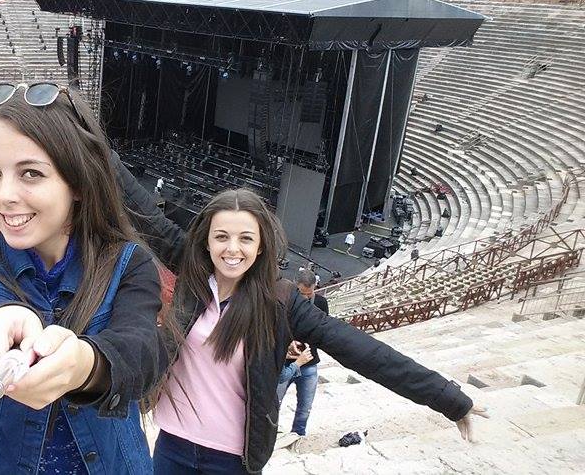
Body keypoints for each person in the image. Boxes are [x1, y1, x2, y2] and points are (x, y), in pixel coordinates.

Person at [108, 160, 488, 473]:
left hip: (231, 460)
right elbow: (140, 208)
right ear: (207, 240)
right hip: (172, 445)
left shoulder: (280, 302)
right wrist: (85, 133)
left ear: (260, 248)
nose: (232, 249)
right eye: (222, 236)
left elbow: (360, 350)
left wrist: (448, 399)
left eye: (245, 238)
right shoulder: (193, 278)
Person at [0, 83, 165, 473]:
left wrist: (87, 365)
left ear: (76, 182)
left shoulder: (130, 264)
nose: (4, 195)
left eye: (31, 174)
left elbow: (141, 352)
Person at [276, 269, 328, 438]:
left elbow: (323, 330)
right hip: (285, 362)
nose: (305, 297)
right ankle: (269, 433)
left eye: (309, 293)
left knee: (305, 406)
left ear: (315, 288)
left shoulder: (320, 302)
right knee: (274, 402)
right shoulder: (282, 301)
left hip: (309, 363)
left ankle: (298, 434)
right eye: (301, 293)